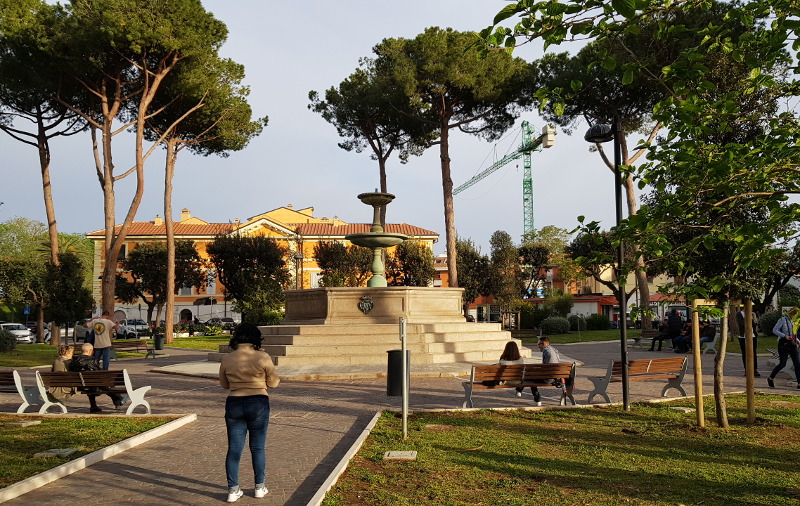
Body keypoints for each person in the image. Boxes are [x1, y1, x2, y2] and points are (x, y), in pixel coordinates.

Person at [219, 322, 280, 503]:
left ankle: (233, 490)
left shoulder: (227, 359)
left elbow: (224, 384)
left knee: (234, 449)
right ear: (255, 338)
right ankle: (259, 487)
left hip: (234, 403)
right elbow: (274, 383)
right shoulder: (262, 357)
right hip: (258, 402)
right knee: (258, 447)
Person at [68, 342, 124, 413]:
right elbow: (100, 374)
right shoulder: (93, 361)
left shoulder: (73, 361)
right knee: (102, 382)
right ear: (91, 351)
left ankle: (94, 406)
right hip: (93, 385)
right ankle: (118, 399)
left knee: (92, 382)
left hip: (80, 386)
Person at [768, 308, 800, 389]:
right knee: (783, 363)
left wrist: (797, 341)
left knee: (797, 363)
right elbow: (775, 330)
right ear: (792, 314)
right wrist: (784, 336)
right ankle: (771, 378)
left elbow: (793, 333)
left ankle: (799, 383)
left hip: (792, 343)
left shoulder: (793, 321)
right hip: (784, 344)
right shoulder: (782, 320)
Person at [737, 308, 761, 377]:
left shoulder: (752, 314)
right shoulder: (739, 314)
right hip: (743, 337)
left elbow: (754, 325)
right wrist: (746, 316)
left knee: (753, 353)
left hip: (752, 336)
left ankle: (754, 369)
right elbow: (741, 325)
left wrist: (752, 318)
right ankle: (747, 369)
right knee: (745, 353)